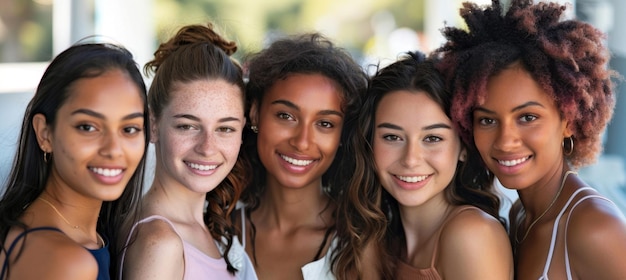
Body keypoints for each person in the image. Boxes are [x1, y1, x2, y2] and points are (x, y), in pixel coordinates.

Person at [435, 0, 626, 279]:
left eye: (527, 117)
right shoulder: (518, 215)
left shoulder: (594, 226)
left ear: (569, 120)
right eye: (487, 120)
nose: (505, 140)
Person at [332, 51, 513, 279]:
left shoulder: (471, 234)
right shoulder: (380, 238)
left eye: (432, 138)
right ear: (369, 143)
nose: (410, 159)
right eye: (392, 137)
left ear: (464, 148)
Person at [0, 42, 149, 280]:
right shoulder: (67, 262)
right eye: (88, 127)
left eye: (129, 129)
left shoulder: (80, 236)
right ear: (44, 134)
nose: (113, 149)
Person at [120, 23, 256, 280]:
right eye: (187, 126)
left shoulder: (204, 229)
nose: (207, 148)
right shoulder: (161, 244)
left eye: (225, 129)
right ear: (154, 124)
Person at [238, 32, 367, 280]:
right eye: (286, 116)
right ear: (255, 113)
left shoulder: (361, 242)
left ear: (343, 134)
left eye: (325, 123)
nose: (302, 142)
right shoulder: (218, 230)